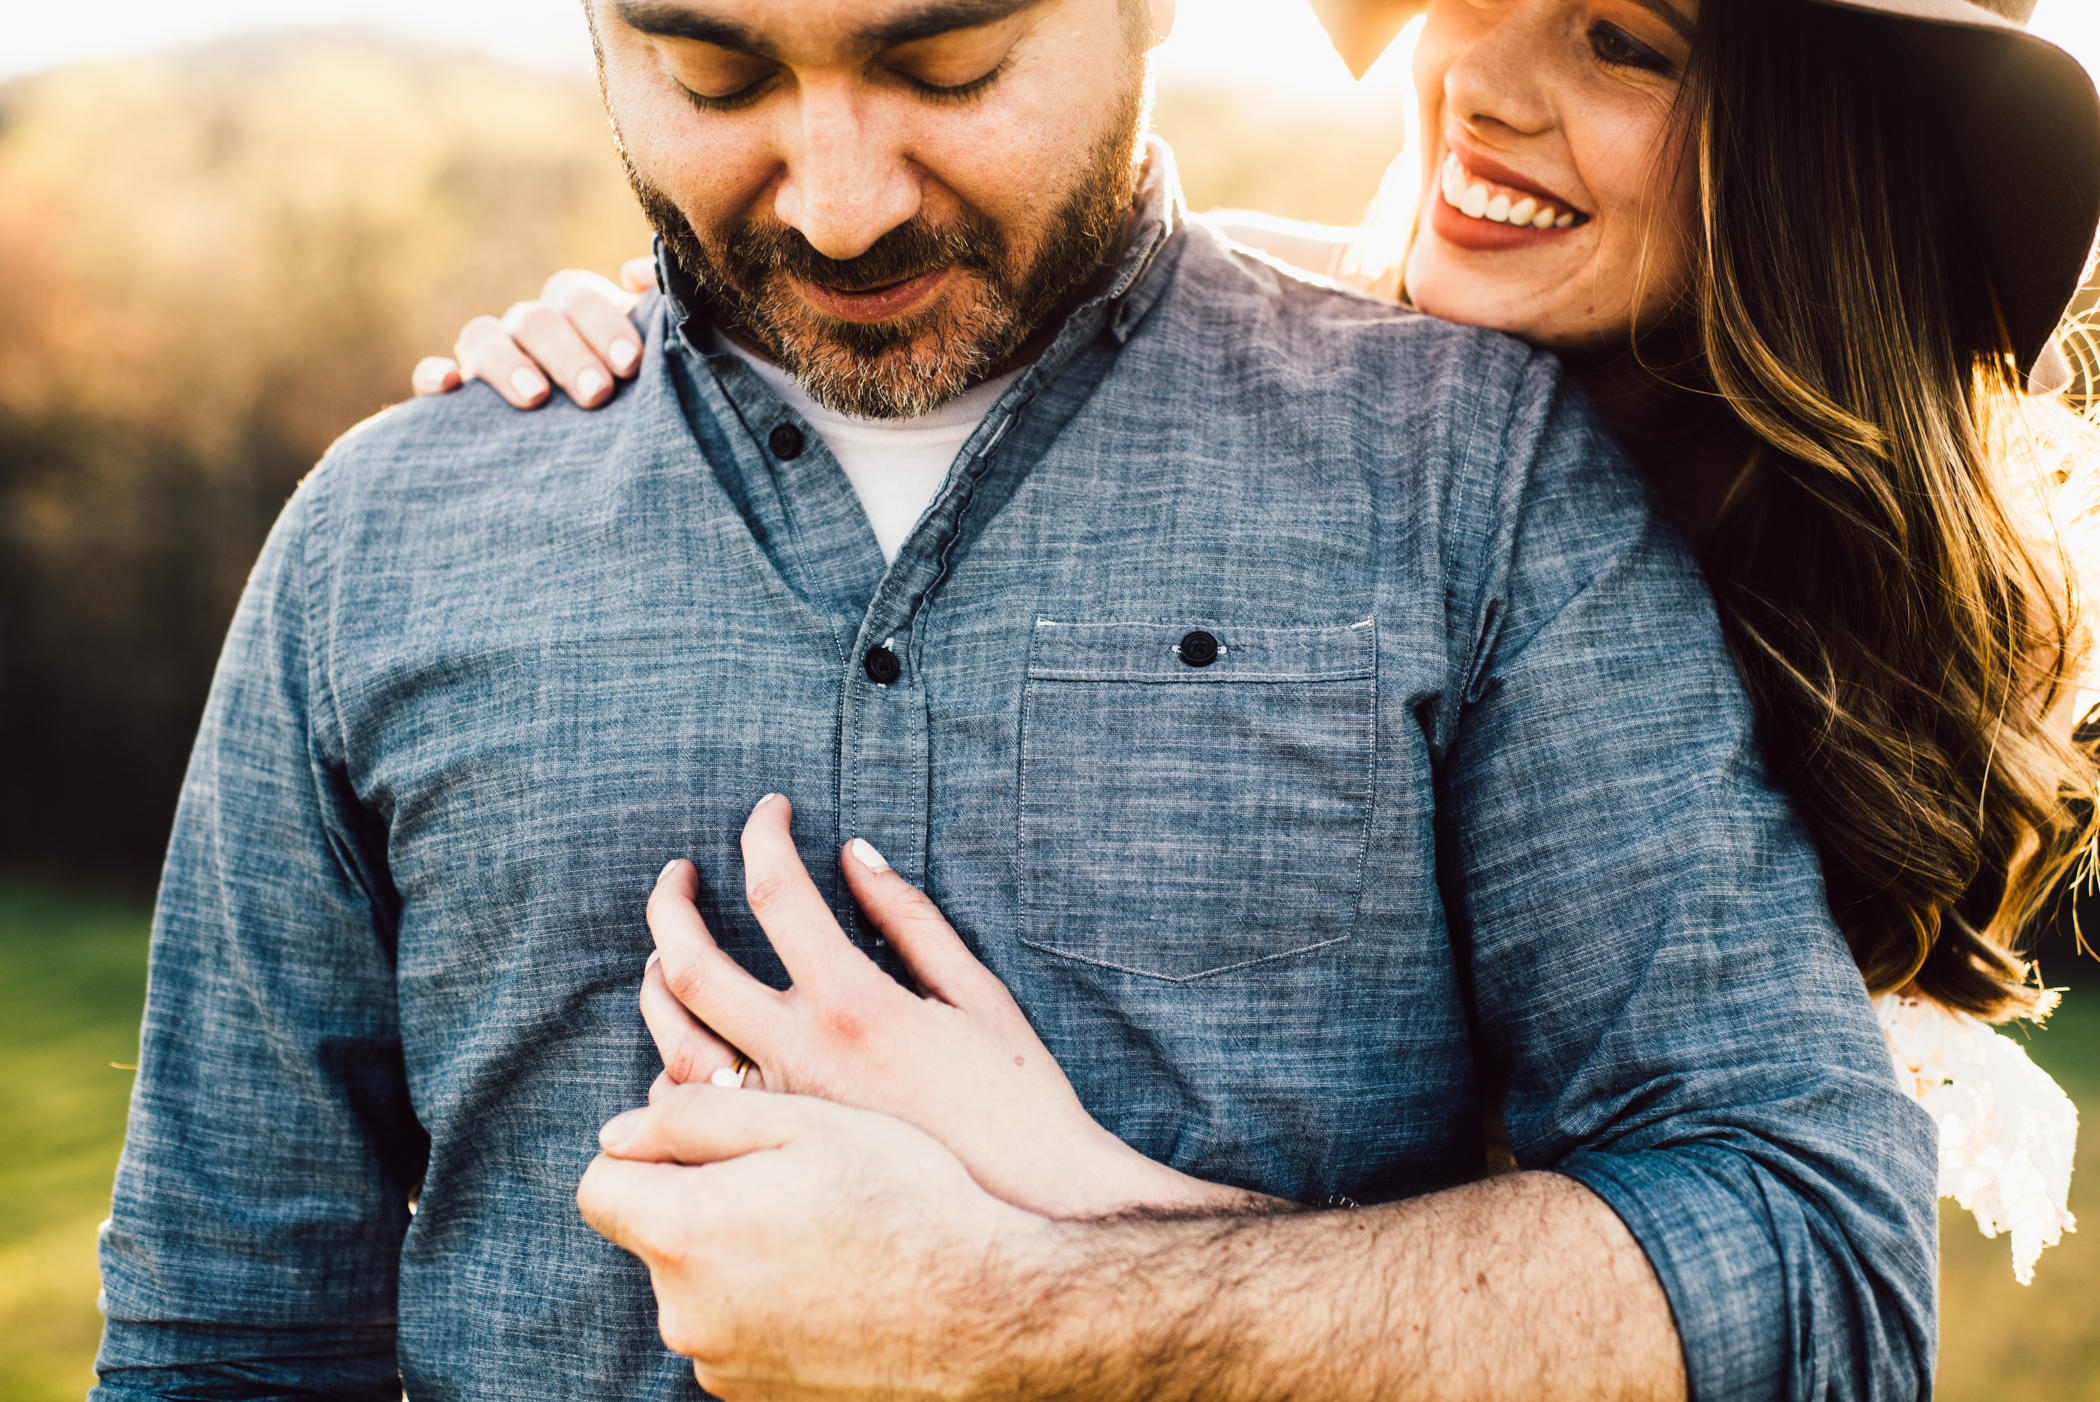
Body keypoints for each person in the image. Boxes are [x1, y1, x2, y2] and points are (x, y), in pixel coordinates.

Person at [84, 3, 2041, 1401]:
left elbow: (1803, 1269)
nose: (841, 207)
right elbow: (220, 1316)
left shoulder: (1548, 494)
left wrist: (1022, 1277)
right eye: (711, 63)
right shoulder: (408, 520)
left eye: (1631, 39)